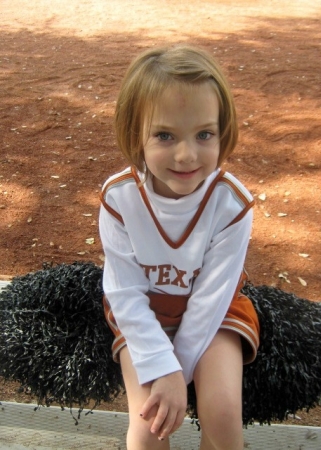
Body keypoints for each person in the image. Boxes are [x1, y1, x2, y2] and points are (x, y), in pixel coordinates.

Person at [99, 45, 260, 450]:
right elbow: (123, 292)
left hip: (215, 314)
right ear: (135, 132)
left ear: (223, 131)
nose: (187, 155)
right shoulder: (119, 199)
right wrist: (160, 367)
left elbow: (212, 298)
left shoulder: (232, 203)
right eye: (165, 135)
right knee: (148, 427)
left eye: (204, 134)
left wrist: (179, 372)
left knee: (222, 414)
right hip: (144, 312)